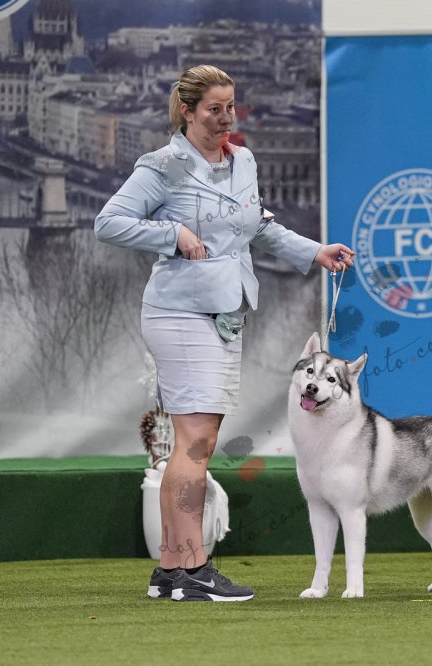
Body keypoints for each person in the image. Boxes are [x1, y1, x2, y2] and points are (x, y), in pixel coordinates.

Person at [95, 65, 354, 602]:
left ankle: (172, 571)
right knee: (196, 442)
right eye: (214, 109)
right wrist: (172, 233)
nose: (226, 118)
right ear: (187, 111)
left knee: (194, 443)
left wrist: (315, 252)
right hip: (178, 313)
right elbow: (109, 222)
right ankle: (193, 568)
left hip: (227, 313)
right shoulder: (163, 165)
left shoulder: (244, 161)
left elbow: (257, 226)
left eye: (231, 107)